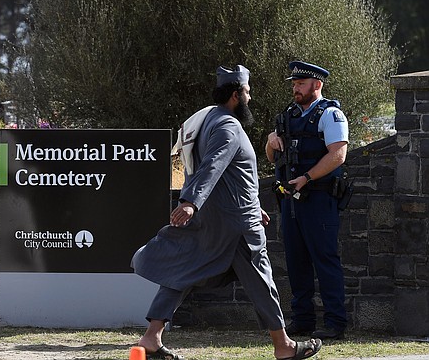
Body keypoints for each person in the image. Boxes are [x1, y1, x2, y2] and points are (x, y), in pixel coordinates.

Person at [132, 65, 322, 360]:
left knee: (184, 272)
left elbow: (229, 175)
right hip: (236, 225)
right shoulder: (228, 127)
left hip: (220, 217)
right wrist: (190, 201)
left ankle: (151, 337)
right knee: (261, 279)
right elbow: (213, 166)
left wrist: (252, 204)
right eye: (247, 92)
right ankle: (283, 346)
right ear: (236, 95)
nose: (251, 97)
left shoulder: (210, 120)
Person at [265, 61, 348, 340]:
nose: (295, 89)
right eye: (293, 84)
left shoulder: (331, 114)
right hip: (291, 200)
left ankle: (336, 323)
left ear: (317, 85)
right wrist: (270, 142)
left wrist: (308, 178)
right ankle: (302, 320)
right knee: (295, 261)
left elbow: (338, 154)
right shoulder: (287, 116)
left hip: (319, 198)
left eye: (300, 84)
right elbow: (273, 158)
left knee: (325, 260)